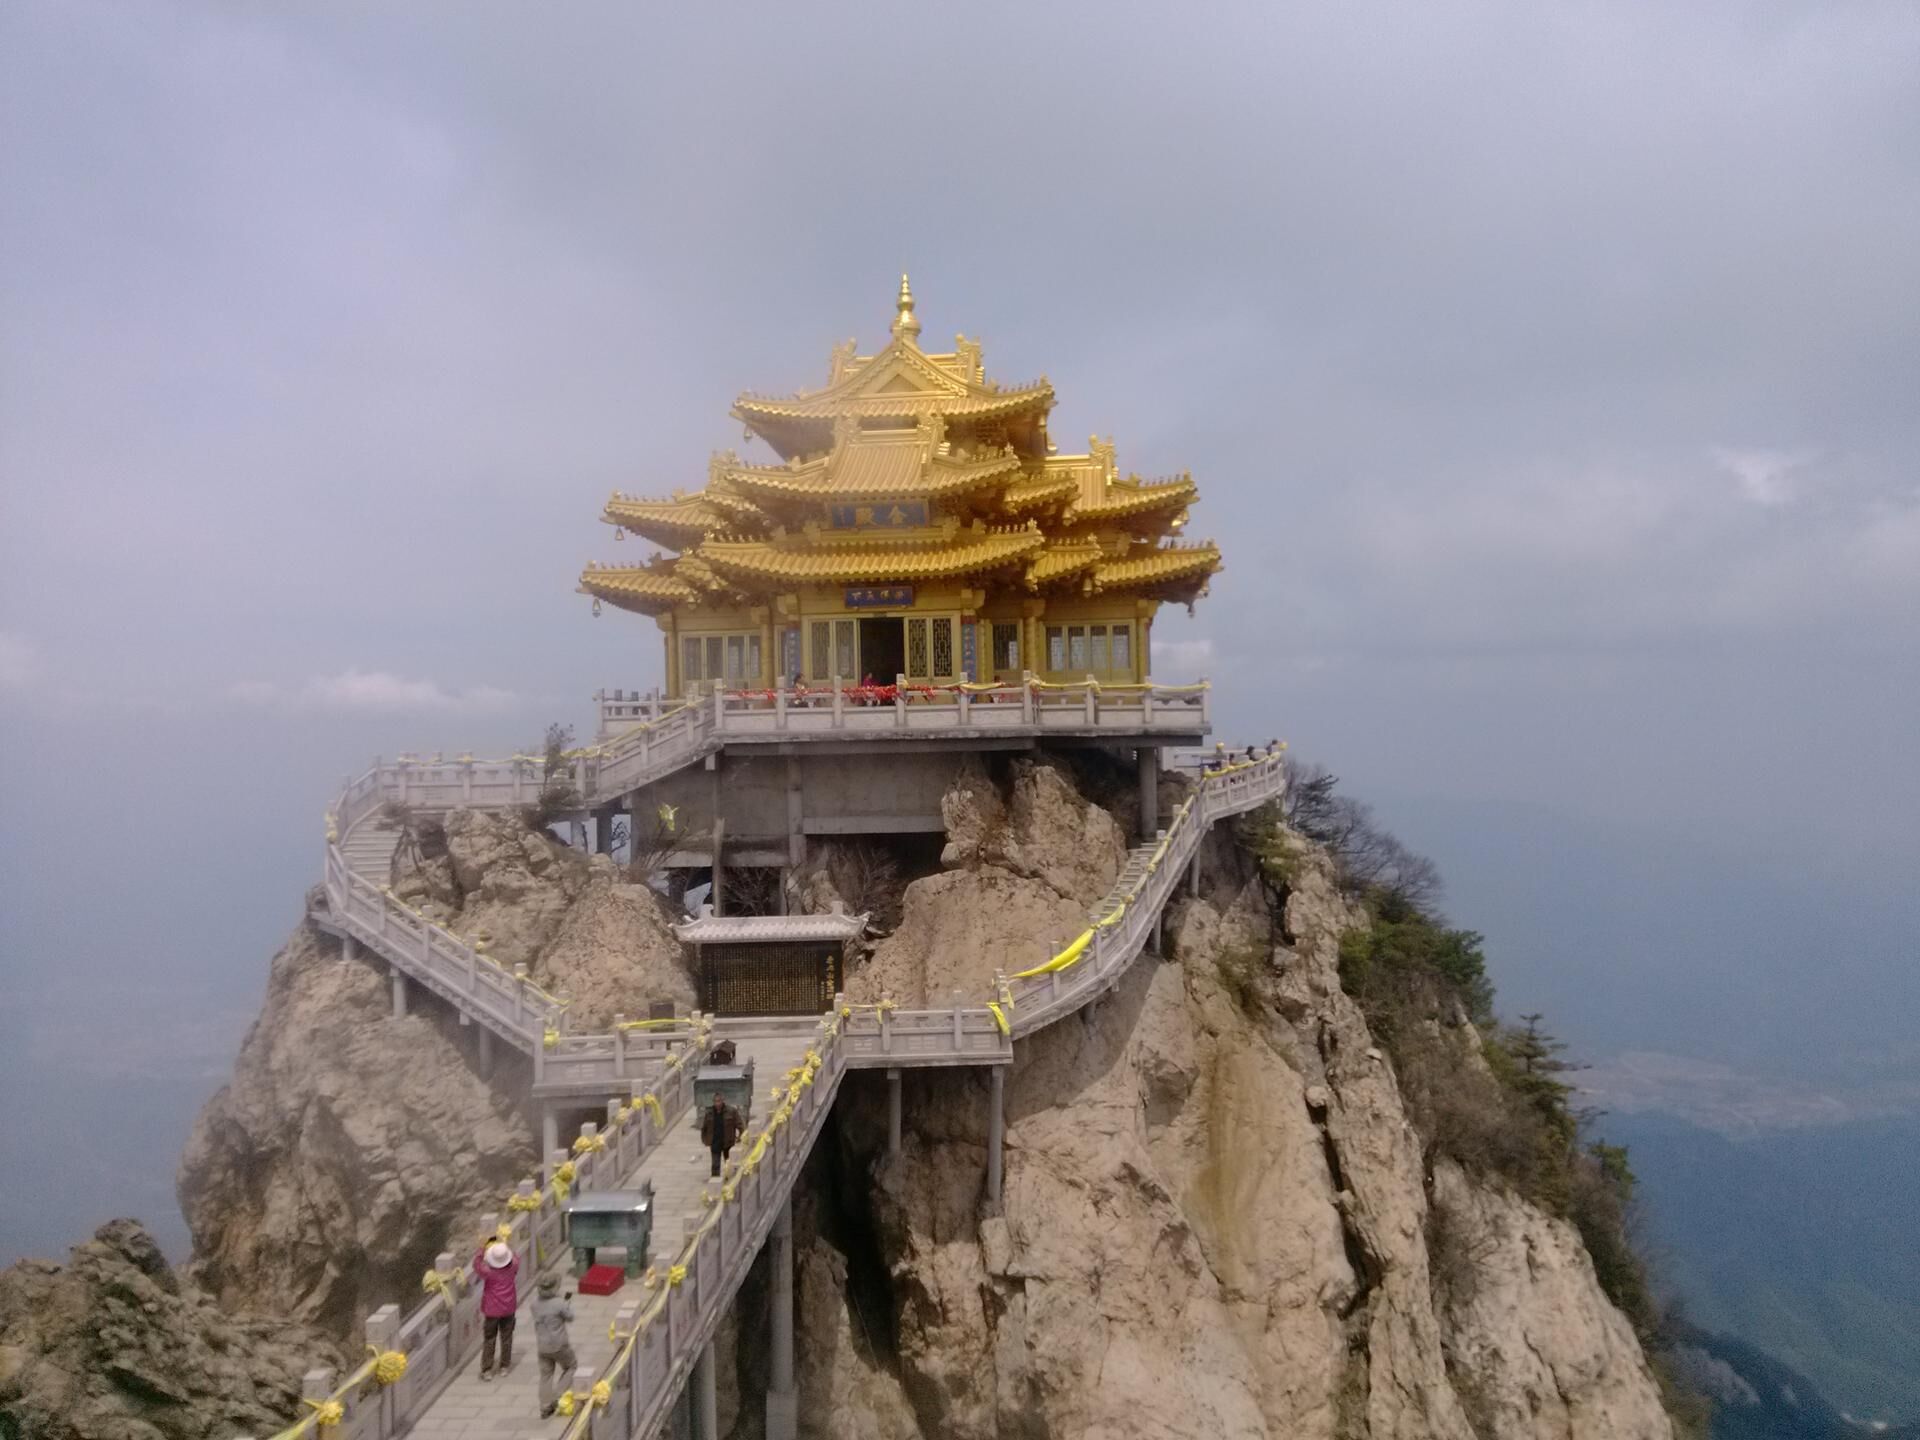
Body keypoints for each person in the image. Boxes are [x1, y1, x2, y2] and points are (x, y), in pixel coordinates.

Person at [473, 1239, 520, 1380]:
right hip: (509, 1307)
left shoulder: (488, 1272)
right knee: (507, 1337)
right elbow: (516, 1256)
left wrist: (481, 1250)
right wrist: (506, 1243)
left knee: (489, 1338)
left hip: (492, 1310)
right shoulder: (513, 1267)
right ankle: (504, 1366)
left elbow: (476, 1265)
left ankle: (487, 1369)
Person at [532, 1273, 576, 1418]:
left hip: (542, 1346)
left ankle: (544, 1406)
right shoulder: (559, 1303)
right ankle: (559, 1395)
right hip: (559, 1344)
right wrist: (566, 1305)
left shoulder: (535, 1304)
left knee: (545, 1375)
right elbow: (570, 1317)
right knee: (571, 1366)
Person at [699, 1090, 743, 1178]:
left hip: (728, 1142)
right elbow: (704, 1128)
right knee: (715, 1165)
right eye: (715, 1101)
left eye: (719, 1101)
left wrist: (740, 1136)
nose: (717, 1103)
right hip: (715, 1142)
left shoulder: (731, 1111)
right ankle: (715, 1181)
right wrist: (705, 1140)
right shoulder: (709, 1113)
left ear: (723, 1101)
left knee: (729, 1163)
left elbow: (740, 1124)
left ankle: (730, 1179)